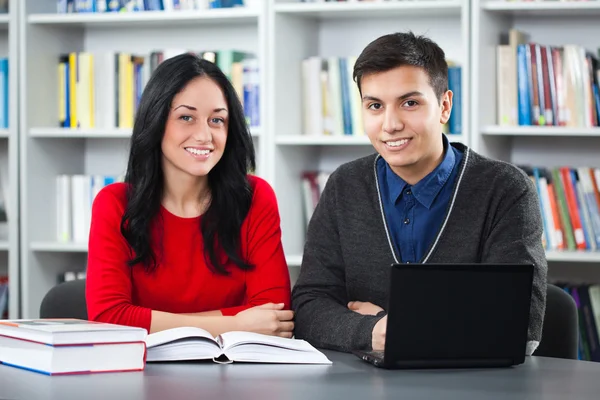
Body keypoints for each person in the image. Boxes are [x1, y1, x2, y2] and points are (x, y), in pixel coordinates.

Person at [291, 31, 547, 355]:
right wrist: (373, 331)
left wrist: (392, 326)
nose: (390, 124)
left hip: (475, 386)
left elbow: (519, 323)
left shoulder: (505, 189)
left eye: (409, 103)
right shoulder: (345, 186)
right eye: (374, 106)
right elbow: (309, 308)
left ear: (444, 106)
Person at [86, 53, 293, 338]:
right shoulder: (115, 203)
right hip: (142, 376)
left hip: (235, 375)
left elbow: (274, 316)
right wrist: (235, 323)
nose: (204, 135)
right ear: (156, 121)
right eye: (186, 117)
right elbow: (109, 317)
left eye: (217, 120)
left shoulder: (255, 197)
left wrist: (149, 321)